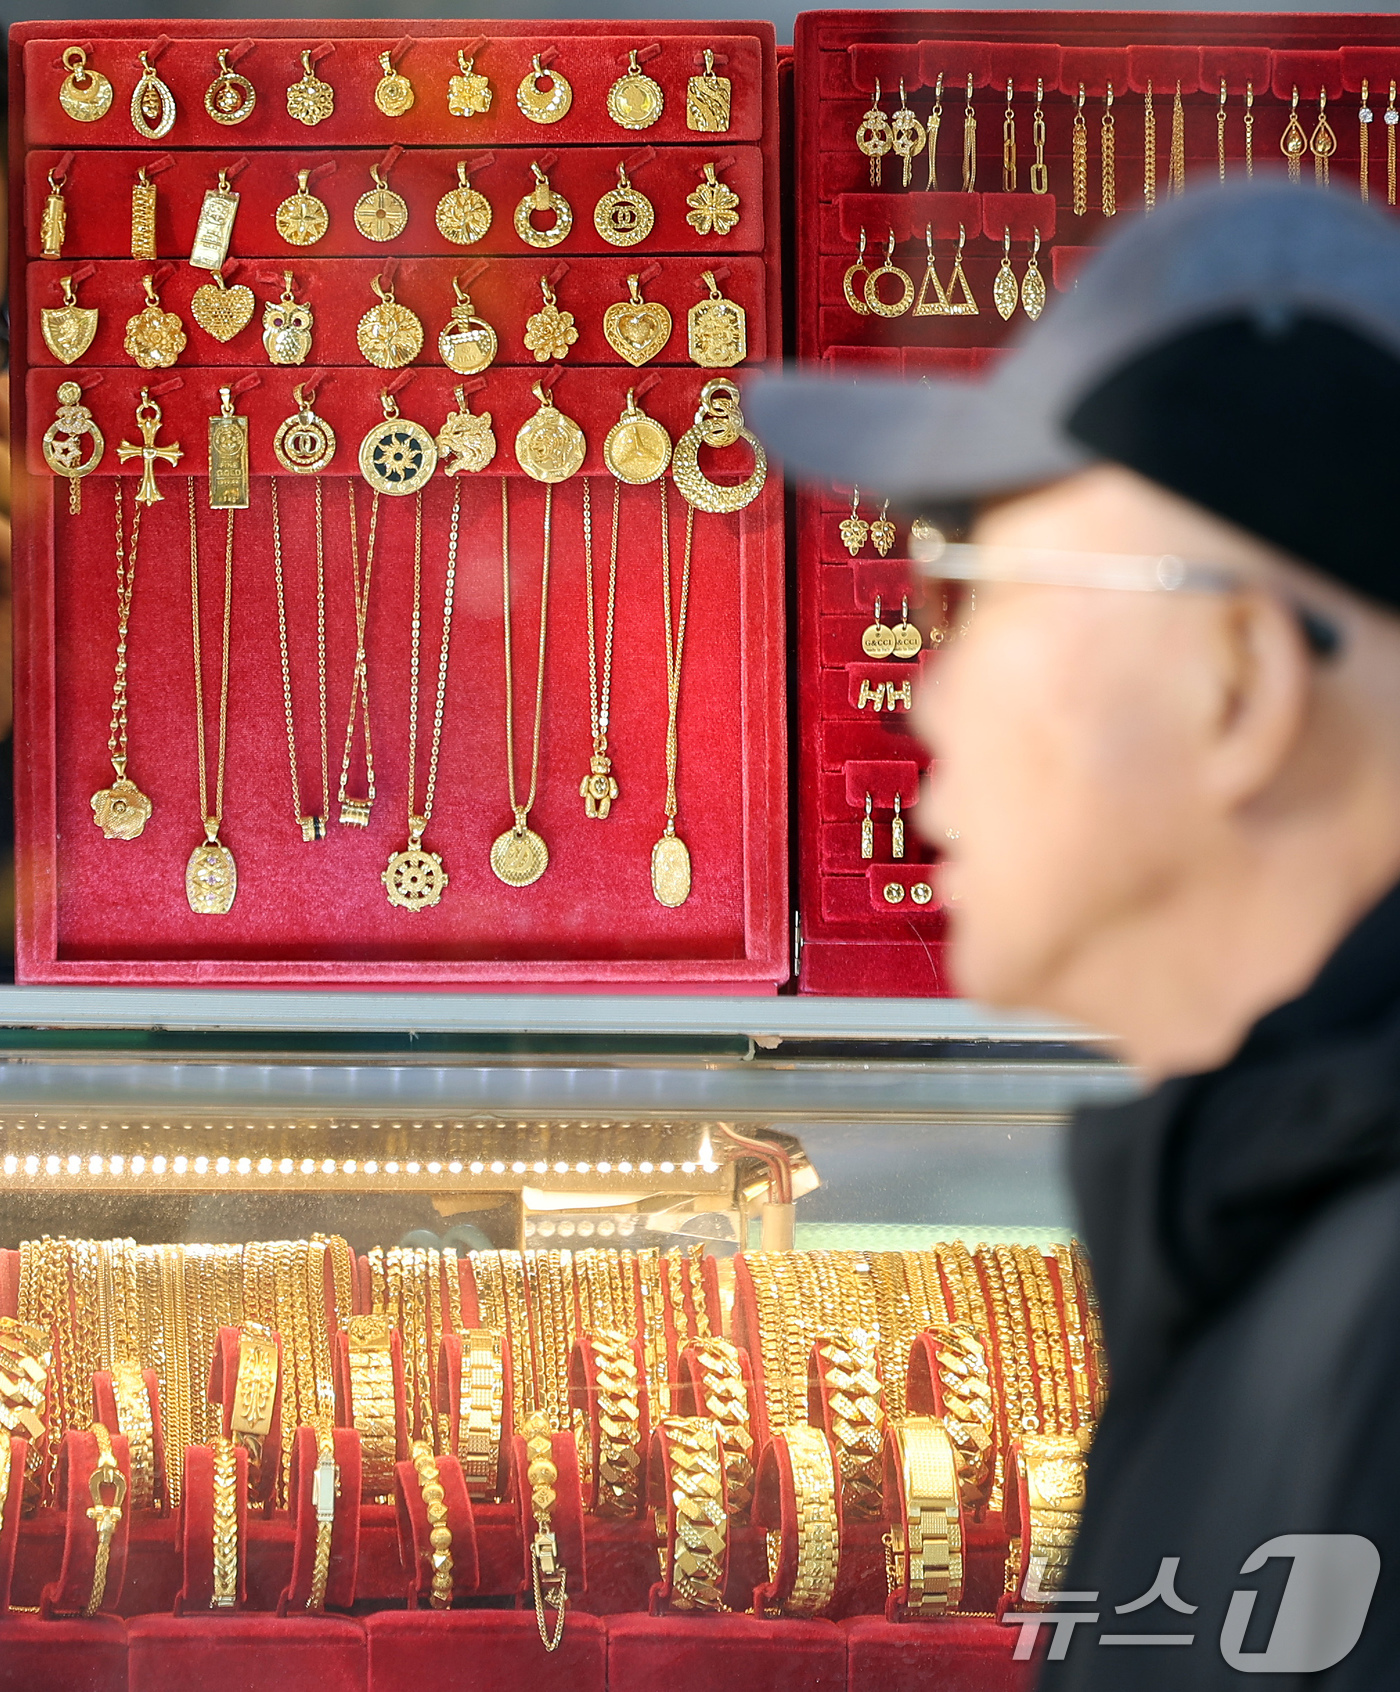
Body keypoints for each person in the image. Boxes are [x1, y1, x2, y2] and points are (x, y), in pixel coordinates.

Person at [750, 181, 1400, 1688]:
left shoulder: (1358, 1334)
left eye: (971, 596)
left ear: (1236, 683)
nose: (926, 693)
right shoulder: (1262, 1241)